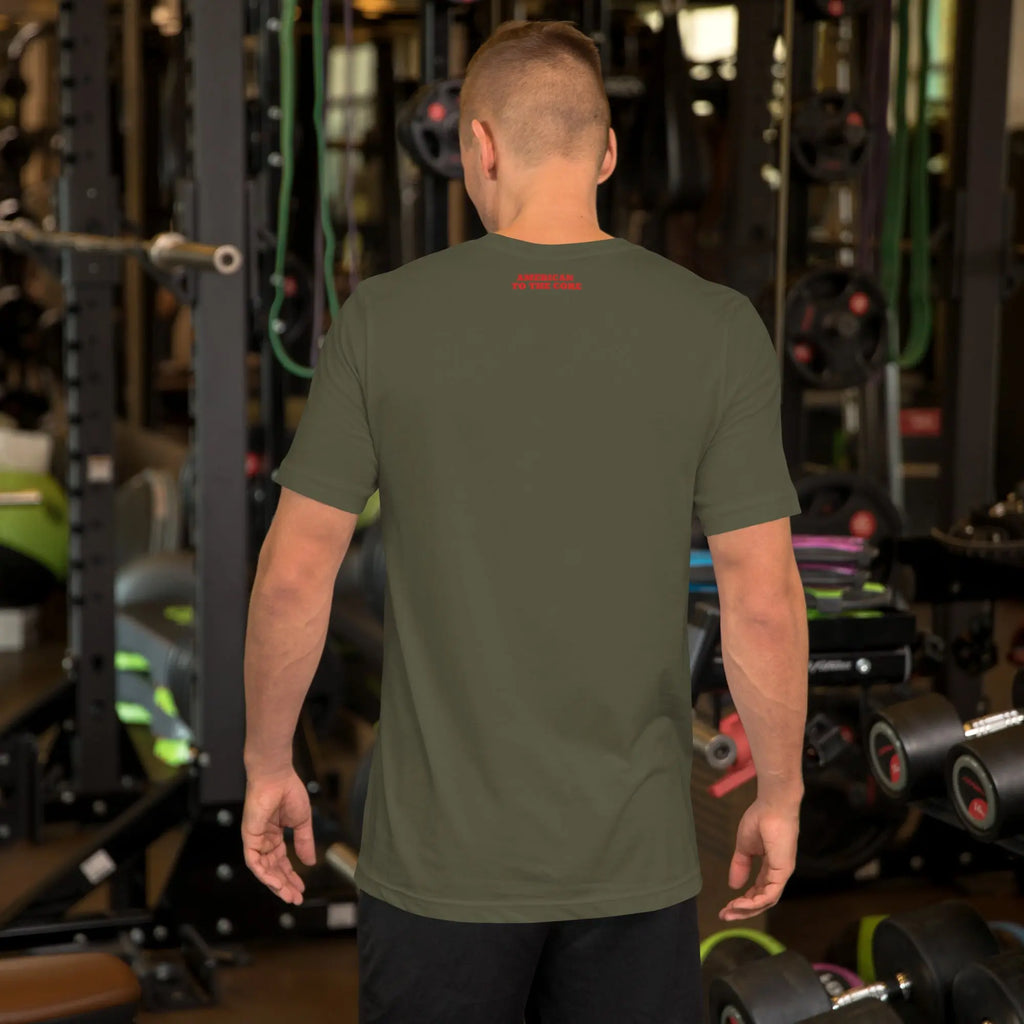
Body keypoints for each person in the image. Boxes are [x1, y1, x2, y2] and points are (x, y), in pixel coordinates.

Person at [242, 20, 808, 1024]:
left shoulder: (383, 317)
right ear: (608, 152)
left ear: (479, 146)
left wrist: (268, 764)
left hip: (438, 868)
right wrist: (782, 790)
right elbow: (759, 596)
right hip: (633, 864)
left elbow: (293, 577)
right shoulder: (715, 328)